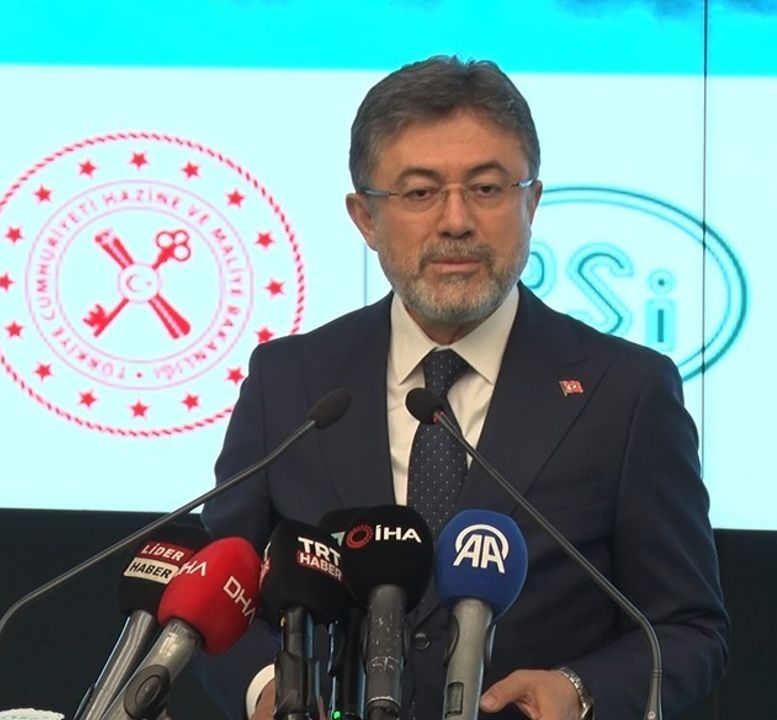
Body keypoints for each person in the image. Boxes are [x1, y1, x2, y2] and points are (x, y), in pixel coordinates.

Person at [201, 55, 728, 720]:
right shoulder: (291, 382)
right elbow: (215, 595)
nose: (456, 221)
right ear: (365, 217)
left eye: (486, 188)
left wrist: (579, 690)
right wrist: (270, 694)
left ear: (531, 201)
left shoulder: (624, 393)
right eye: (420, 193)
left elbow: (687, 629)